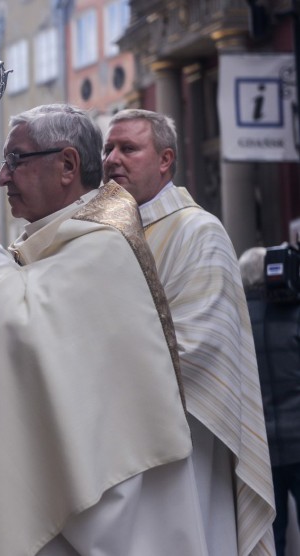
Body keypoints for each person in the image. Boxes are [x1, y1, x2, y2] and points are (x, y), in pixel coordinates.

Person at [0, 104, 207, 554]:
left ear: (68, 164)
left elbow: (25, 343)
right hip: (49, 483)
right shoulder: (37, 245)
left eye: (16, 160)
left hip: (99, 502)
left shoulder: (104, 247)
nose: (1, 178)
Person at [103, 108, 275, 554]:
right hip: (117, 441)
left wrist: (100, 364)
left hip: (188, 438)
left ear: (165, 160)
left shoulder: (199, 232)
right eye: (108, 148)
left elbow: (201, 346)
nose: (112, 159)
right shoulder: (103, 234)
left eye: (128, 148)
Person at [241, 245, 300, 556]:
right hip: (298, 439)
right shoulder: (294, 313)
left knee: (271, 536)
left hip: (261, 447)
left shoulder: (237, 321)